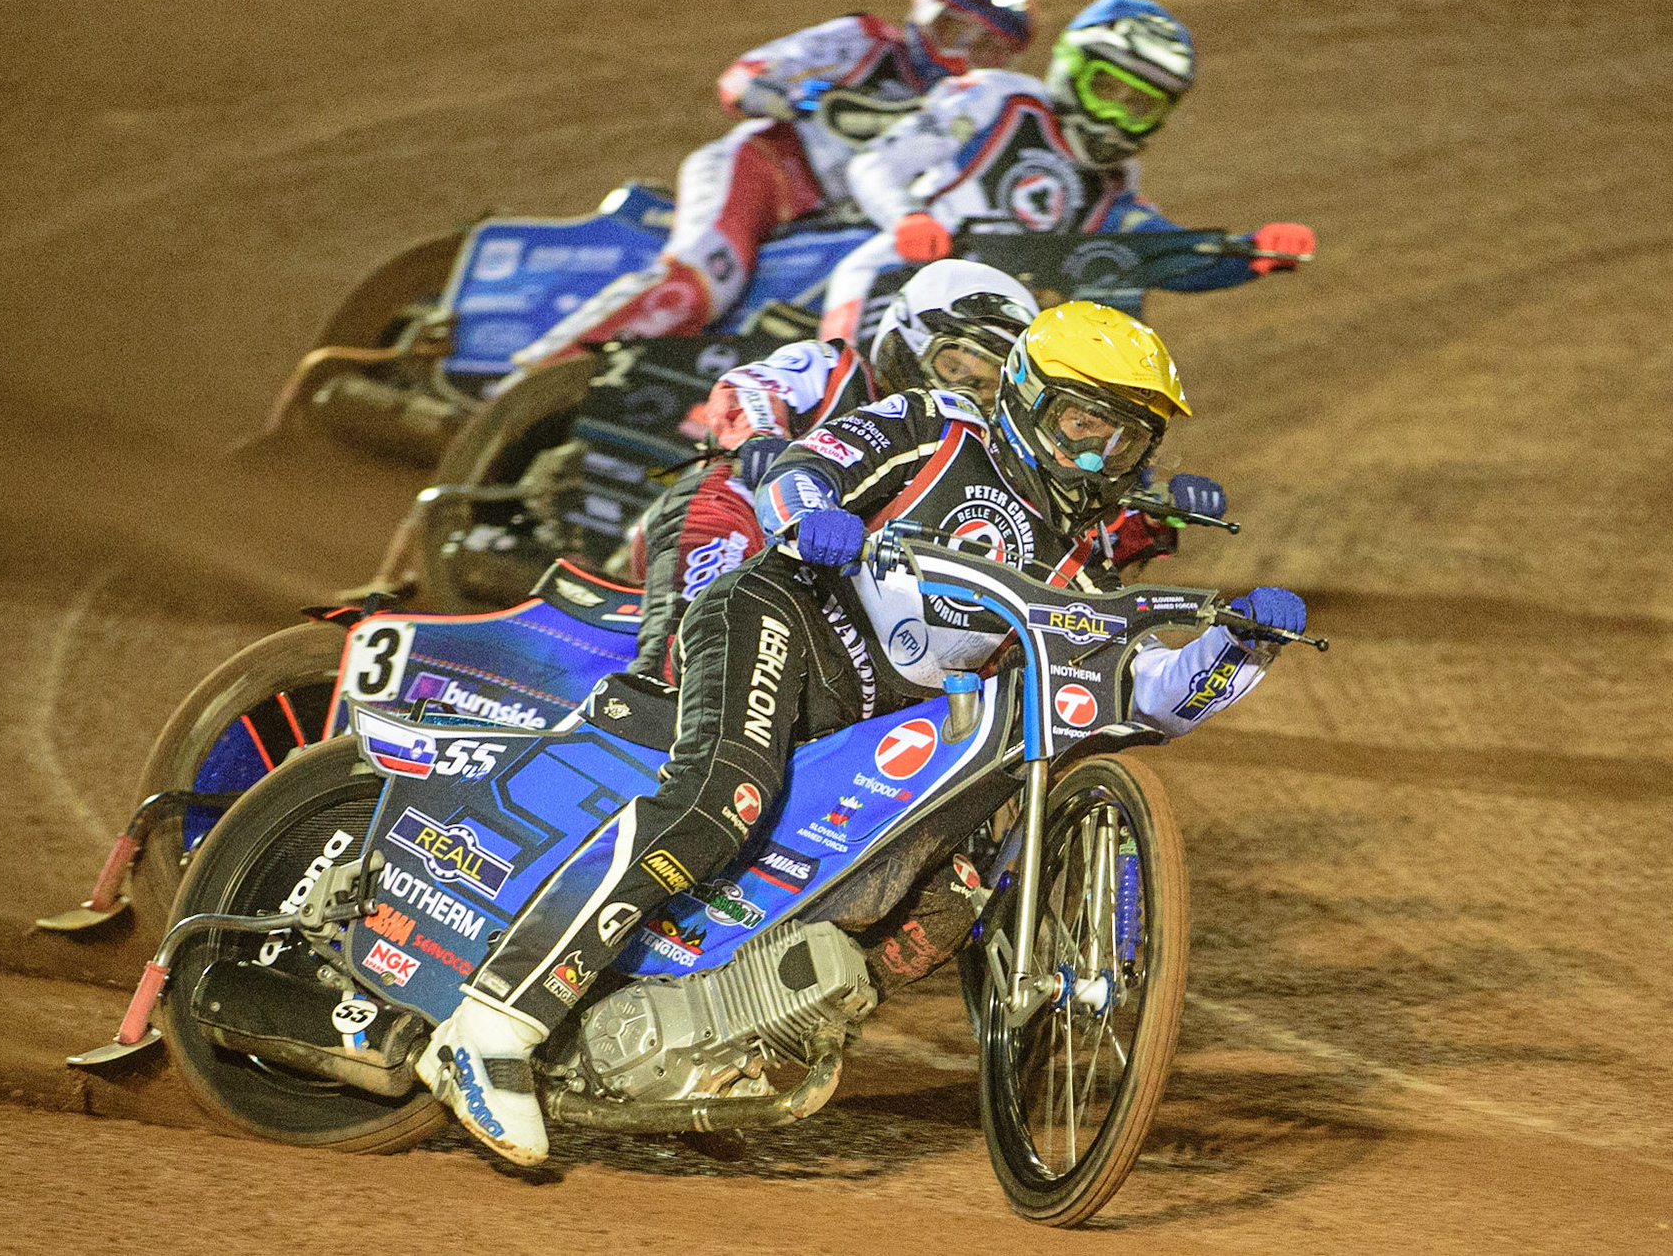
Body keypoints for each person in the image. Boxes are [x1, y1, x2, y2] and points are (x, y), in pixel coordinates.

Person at [415, 299, 1305, 1167]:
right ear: (1031, 393)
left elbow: (1150, 696)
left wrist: (1238, 646)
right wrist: (814, 515)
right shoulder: (939, 425)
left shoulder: (1085, 555)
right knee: (722, 797)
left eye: (1125, 440)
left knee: (942, 901)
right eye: (1083, 421)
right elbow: (806, 464)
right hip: (784, 616)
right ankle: (495, 1021)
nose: (1096, 453)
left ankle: (701, 1031)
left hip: (880, 719)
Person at [509, 0, 1037, 370]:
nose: (962, 54)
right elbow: (744, 77)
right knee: (701, 285)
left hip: (833, 222)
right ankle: (527, 375)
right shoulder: (867, 42)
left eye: (986, 47)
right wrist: (795, 95)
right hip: (764, 170)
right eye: (954, 31)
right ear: (926, 14)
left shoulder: (975, 111)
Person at [818, 0, 1317, 344]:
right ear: (1071, 68)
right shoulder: (996, 99)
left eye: (1138, 104)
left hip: (995, 320)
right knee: (856, 349)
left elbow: (1149, 252)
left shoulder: (1115, 184)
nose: (1116, 115)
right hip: (909, 274)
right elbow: (876, 163)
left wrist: (1251, 253)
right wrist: (908, 218)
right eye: (1106, 89)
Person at [624, 258, 1041, 680]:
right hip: (740, 535)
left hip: (848, 612)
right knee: (733, 484)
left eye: (984, 384)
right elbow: (751, 385)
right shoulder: (834, 372)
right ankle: (662, 674)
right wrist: (763, 436)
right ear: (906, 339)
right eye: (953, 367)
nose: (960, 391)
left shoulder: (979, 457)